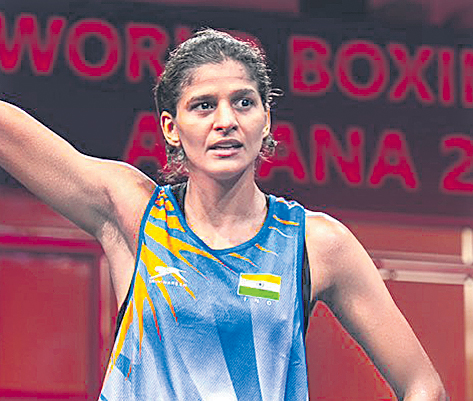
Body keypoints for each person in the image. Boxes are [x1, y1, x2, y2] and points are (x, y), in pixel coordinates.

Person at [0, 29, 447, 400]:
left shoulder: (315, 243)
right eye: (204, 105)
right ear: (170, 128)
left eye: (244, 102)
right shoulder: (134, 213)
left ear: (266, 119)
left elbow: (423, 386)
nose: (226, 120)